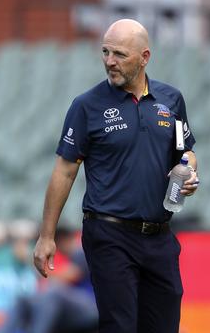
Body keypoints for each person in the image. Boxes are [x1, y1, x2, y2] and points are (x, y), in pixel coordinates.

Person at [33, 19, 199, 333]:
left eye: (120, 54)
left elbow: (186, 152)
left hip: (159, 236)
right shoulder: (86, 106)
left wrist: (189, 172)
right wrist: (46, 236)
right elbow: (65, 172)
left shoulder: (171, 100)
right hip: (109, 234)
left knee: (164, 326)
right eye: (106, 52)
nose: (110, 61)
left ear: (145, 57)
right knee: (120, 325)